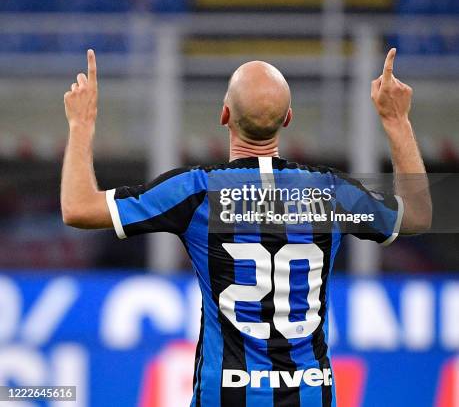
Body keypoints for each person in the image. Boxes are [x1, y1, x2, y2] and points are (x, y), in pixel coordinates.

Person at [61, 47, 431, 407]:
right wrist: (396, 121)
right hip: (310, 395)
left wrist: (81, 124)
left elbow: (78, 208)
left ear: (224, 115)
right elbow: (416, 215)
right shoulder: (330, 192)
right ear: (288, 119)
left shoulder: (196, 192)